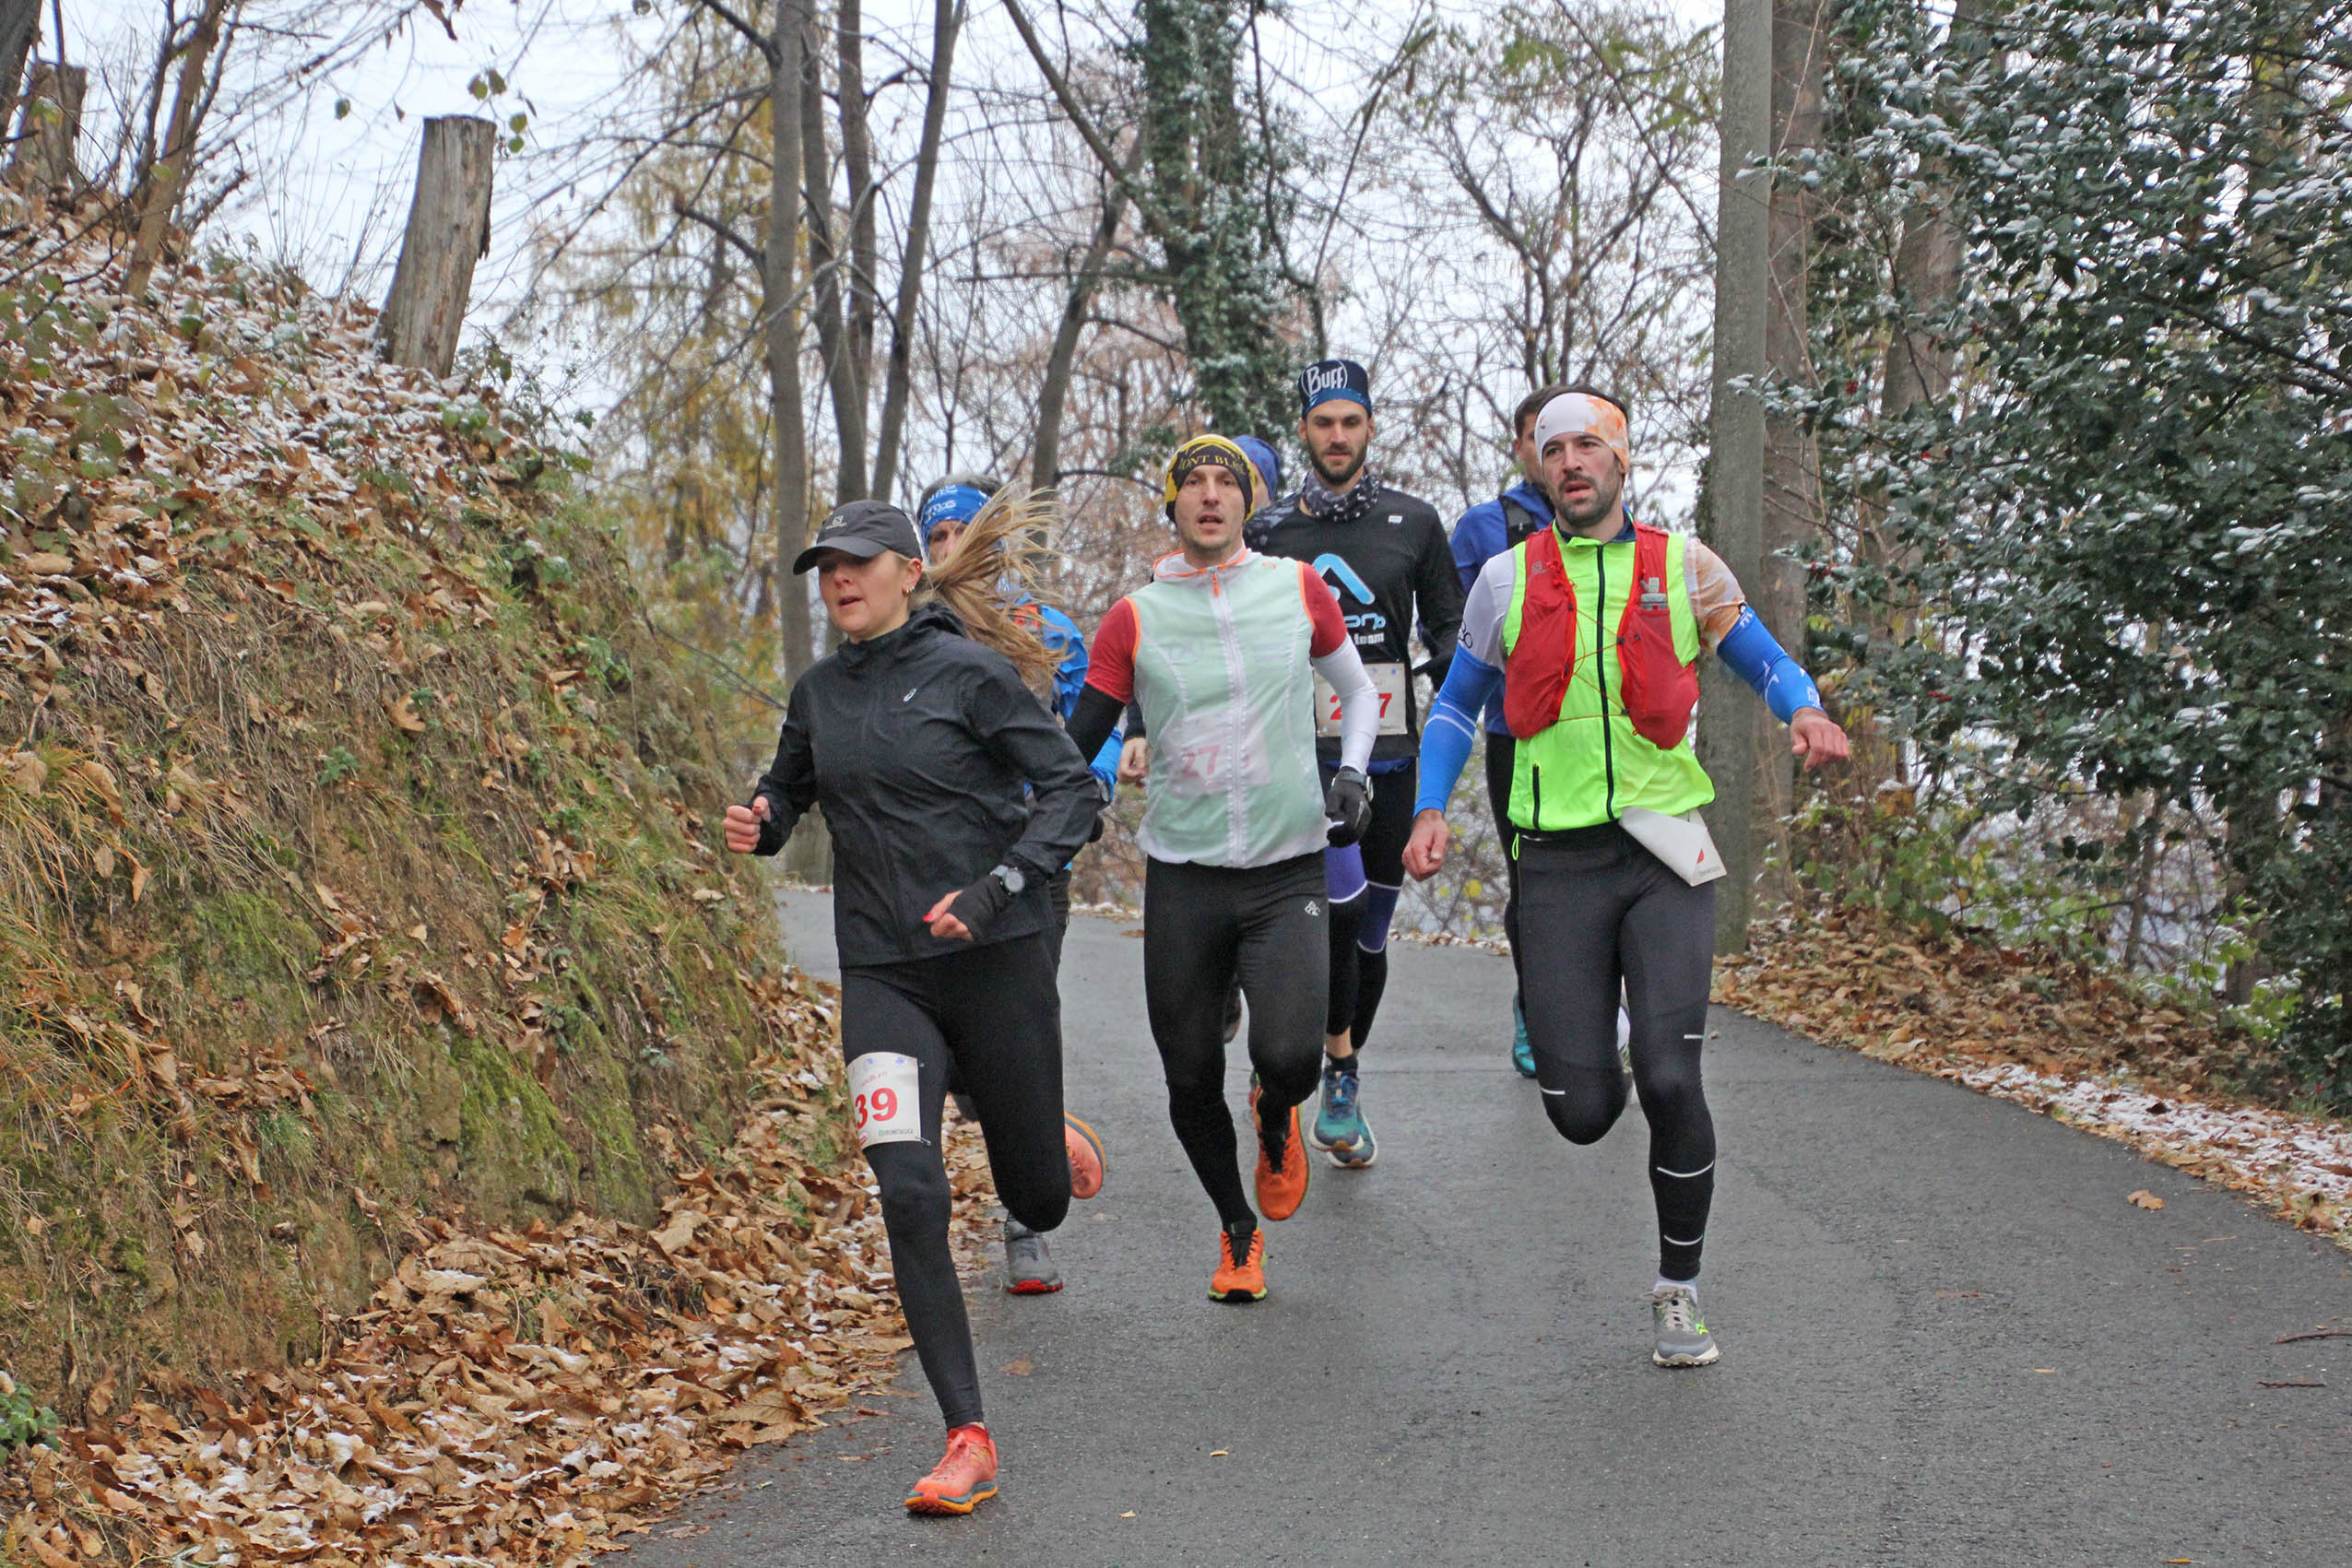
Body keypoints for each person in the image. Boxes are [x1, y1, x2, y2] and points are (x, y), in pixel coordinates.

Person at [1404, 388, 1850, 1368]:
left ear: (1621, 462)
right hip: (1555, 861)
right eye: (1554, 449)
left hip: (1661, 851)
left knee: (1671, 1072)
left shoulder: (1682, 568)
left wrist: (1804, 713)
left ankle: (1677, 1289)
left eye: (1588, 447)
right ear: (1539, 469)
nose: (1571, 463)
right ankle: (1593, 1035)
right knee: (1582, 1113)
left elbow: (1763, 658)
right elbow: (1454, 710)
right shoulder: (1504, 582)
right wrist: (1430, 806)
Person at [725, 498, 1108, 1515]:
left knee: (1037, 1198)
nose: (838, 580)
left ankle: (1030, 1118)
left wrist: (998, 889)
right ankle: (964, 1434)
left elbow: (1073, 792)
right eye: (825, 568)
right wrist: (760, 821)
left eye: (856, 563)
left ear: (905, 571)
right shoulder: (817, 694)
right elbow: (785, 795)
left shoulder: (972, 677)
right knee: (908, 1193)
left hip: (996, 962)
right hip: (883, 976)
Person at [1064, 435, 1378, 1303]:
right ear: (1172, 506)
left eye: (1225, 482)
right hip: (1186, 875)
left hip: (1285, 867)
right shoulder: (1135, 616)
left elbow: (1356, 692)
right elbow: (1077, 740)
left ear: (1248, 500)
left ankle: (1275, 1114)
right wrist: (1056, 797)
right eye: (1193, 484)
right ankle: (1236, 1229)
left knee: (1292, 1060)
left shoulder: (1295, 589)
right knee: (1189, 1071)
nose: (1210, 496)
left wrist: (1349, 771)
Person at [1249, 360, 1464, 1169]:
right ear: (1302, 431)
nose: (1336, 437)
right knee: (1327, 915)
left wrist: (1461, 709)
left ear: (1370, 427)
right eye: (1321, 423)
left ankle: (1341, 1070)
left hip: (1391, 751)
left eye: (1349, 422)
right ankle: (1320, 1063)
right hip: (1298, 757)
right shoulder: (1268, 531)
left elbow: (1447, 631)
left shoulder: (1414, 522)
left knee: (1371, 930)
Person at [918, 474, 1121, 1296]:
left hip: (1035, 868)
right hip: (937, 869)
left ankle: (1025, 1226)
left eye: (960, 535)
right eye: (933, 539)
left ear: (991, 544)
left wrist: (1089, 790)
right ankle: (1029, 1124)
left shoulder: (1049, 630)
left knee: (1020, 1037)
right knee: (960, 1052)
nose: (946, 552)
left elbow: (1095, 726)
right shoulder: (910, 631)